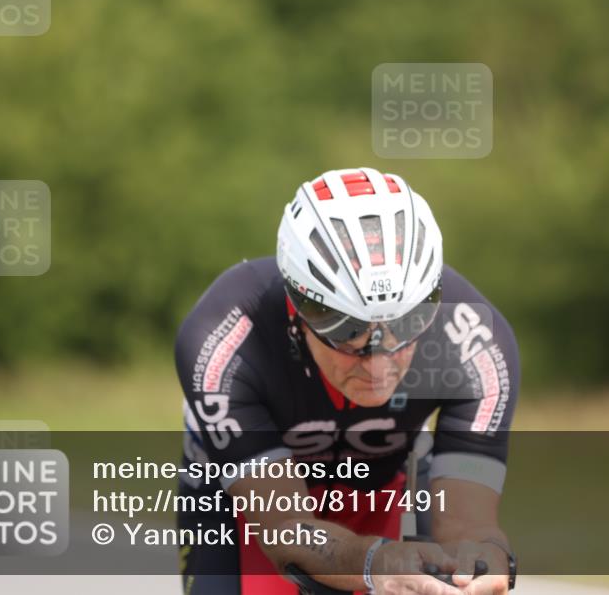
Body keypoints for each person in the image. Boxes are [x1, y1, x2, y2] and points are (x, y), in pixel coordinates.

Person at [175, 168, 519, 594]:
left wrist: (480, 562)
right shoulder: (225, 341)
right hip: (251, 495)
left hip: (386, 477)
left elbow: (471, 526)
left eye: (406, 326)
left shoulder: (474, 345)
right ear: (297, 309)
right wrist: (375, 562)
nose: (377, 367)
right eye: (346, 333)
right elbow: (285, 527)